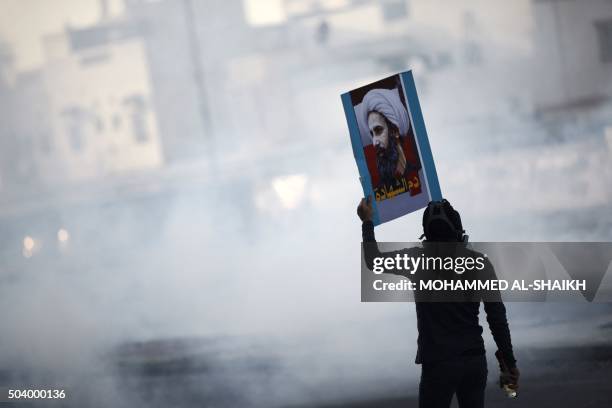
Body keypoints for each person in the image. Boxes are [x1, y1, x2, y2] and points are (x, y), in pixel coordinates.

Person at [357, 197, 520, 408]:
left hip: (438, 364)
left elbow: (373, 261)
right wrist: (509, 362)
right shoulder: (480, 263)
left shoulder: (417, 260)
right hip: (473, 361)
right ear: (458, 230)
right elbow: (497, 318)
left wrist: (367, 222)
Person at [361, 88, 420, 191]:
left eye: (378, 130)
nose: (374, 142)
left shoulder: (420, 174)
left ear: (395, 131)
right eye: (372, 134)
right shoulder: (379, 191)